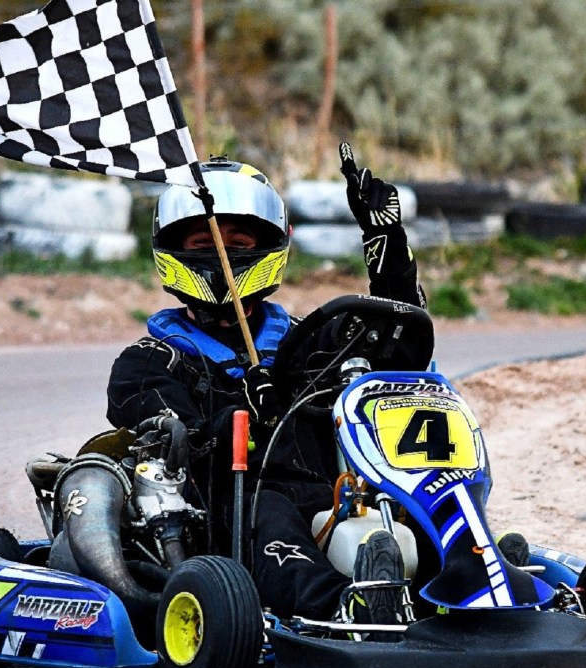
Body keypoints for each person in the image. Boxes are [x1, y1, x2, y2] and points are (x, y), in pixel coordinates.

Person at [105, 146, 426, 626]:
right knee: (271, 512)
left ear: (271, 244)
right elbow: (175, 438)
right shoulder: (150, 362)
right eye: (204, 242)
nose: (222, 254)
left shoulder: (310, 342)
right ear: (171, 250)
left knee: (407, 502)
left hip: (332, 496)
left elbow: (398, 354)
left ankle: (473, 582)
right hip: (228, 514)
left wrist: (388, 245)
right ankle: (343, 605)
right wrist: (244, 415)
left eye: (239, 240)